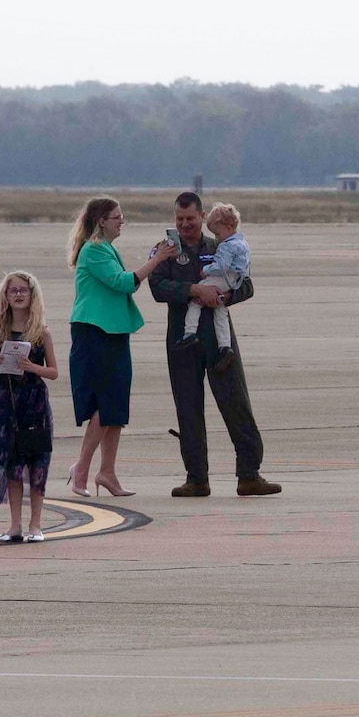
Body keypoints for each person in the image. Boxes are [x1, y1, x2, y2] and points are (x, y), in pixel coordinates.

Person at [150, 190, 280, 498]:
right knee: (189, 409)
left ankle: (249, 475)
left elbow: (246, 284)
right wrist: (193, 289)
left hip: (219, 339)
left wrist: (226, 296)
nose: (185, 225)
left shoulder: (222, 245)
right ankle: (197, 479)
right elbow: (157, 287)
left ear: (202, 217)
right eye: (179, 219)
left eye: (190, 219)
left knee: (236, 403)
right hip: (184, 339)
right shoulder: (165, 250)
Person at [65, 196, 171, 498]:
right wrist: (156, 260)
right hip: (95, 332)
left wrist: (152, 261)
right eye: (116, 217)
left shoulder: (107, 249)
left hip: (114, 332)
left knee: (116, 408)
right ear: (101, 221)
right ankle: (82, 469)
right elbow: (123, 283)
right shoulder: (95, 250)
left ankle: (107, 472)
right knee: (102, 406)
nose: (121, 221)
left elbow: (128, 283)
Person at [0, 270, 59, 542]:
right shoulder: (0, 331)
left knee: (37, 466)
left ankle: (36, 525)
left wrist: (32, 367)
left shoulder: (41, 333)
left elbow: (54, 372)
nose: (18, 294)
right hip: (6, 405)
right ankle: (15, 525)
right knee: (13, 468)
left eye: (23, 290)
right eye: (12, 290)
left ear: (32, 296)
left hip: (34, 405)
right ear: (5, 296)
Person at [177, 201, 249, 364]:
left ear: (228, 228)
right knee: (220, 309)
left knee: (196, 302)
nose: (217, 238)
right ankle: (225, 346)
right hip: (234, 281)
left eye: (217, 234)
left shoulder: (226, 246)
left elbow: (221, 266)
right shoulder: (243, 243)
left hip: (223, 278)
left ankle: (189, 333)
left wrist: (206, 270)